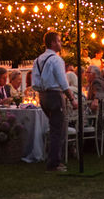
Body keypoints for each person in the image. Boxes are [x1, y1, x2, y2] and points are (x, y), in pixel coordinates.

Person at [33, 30, 77, 172]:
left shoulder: (38, 60)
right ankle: (54, 163)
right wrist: (72, 98)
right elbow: (63, 82)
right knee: (58, 130)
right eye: (58, 41)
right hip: (54, 95)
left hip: (43, 96)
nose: (61, 43)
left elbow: (35, 82)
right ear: (52, 43)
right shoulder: (56, 60)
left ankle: (53, 159)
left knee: (54, 128)